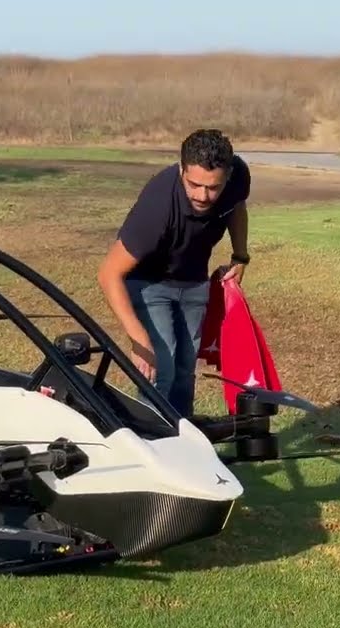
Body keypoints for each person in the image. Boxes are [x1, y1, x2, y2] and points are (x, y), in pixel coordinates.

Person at [96, 128, 251, 417]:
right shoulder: (158, 207)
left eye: (213, 188)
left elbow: (236, 206)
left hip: (194, 281)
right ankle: (148, 437)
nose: (203, 196)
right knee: (161, 371)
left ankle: (182, 434)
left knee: (184, 371)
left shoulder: (238, 175)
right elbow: (108, 274)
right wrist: (139, 339)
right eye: (194, 184)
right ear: (181, 169)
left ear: (228, 175)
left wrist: (240, 256)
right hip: (149, 283)